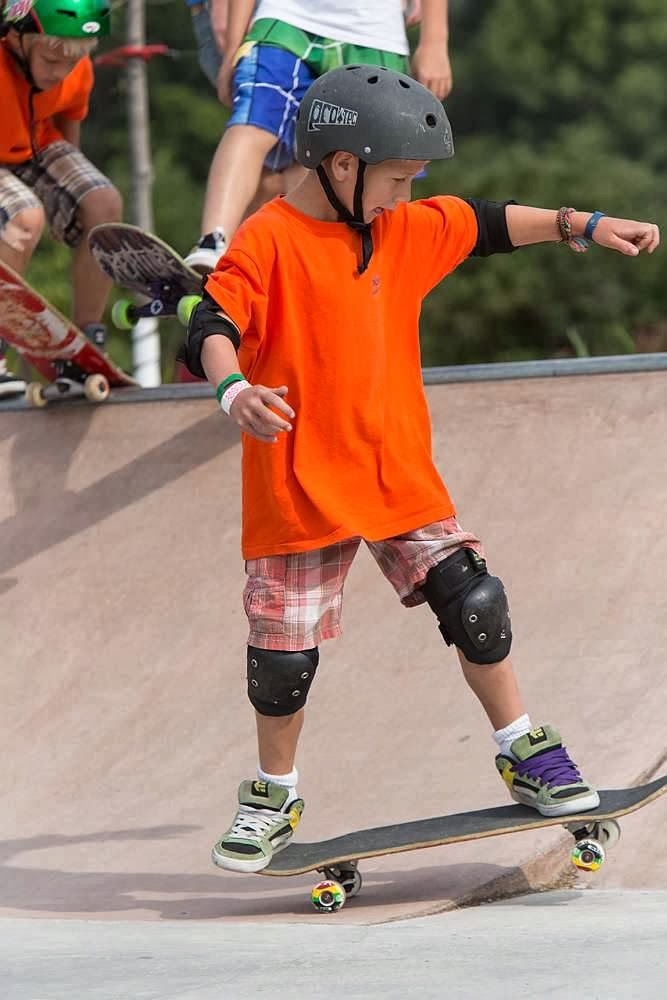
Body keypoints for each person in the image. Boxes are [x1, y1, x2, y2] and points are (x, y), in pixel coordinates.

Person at [182, 65, 659, 872]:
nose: (404, 197)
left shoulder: (401, 230)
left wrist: (583, 223)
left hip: (396, 473)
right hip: (298, 483)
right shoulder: (268, 238)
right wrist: (234, 390)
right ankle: (273, 794)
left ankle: (522, 748)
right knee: (282, 658)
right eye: (396, 179)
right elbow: (211, 321)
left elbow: (485, 222)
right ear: (341, 164)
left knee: (474, 601)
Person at [184, 0, 452, 272]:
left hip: (374, 34)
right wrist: (233, 47)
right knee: (255, 122)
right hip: (285, 20)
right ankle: (214, 242)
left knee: (320, 161)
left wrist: (435, 42)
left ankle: (281, 266)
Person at [0, 0, 122, 397]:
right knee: (24, 218)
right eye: (52, 60)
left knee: (103, 203)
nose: (59, 73)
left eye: (71, 62)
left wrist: (68, 201)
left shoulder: (75, 70)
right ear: (17, 38)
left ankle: (85, 343)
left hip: (33, 143)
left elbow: (70, 130)